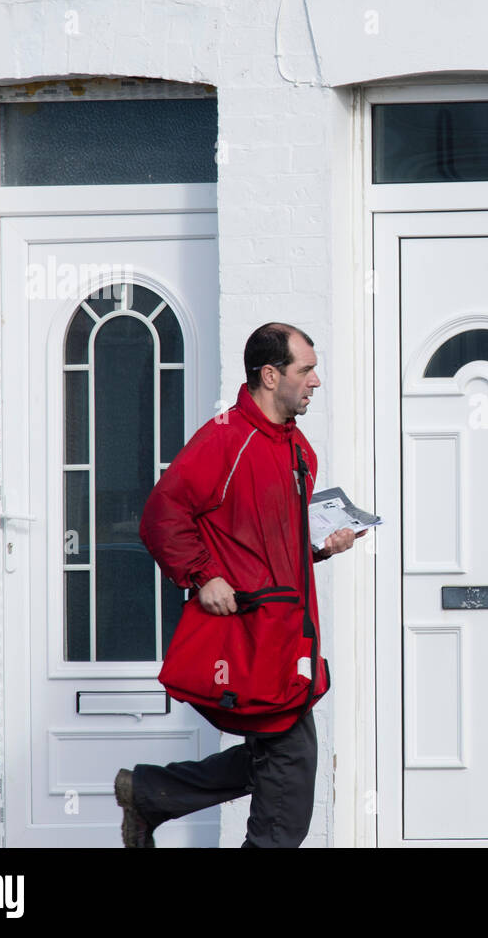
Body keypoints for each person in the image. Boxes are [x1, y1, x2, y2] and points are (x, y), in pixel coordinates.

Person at [114, 322, 365, 848]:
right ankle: (151, 792)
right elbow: (163, 515)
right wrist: (202, 576)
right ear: (270, 375)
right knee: (286, 803)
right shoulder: (225, 439)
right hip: (252, 640)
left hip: (291, 639)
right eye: (306, 369)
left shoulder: (299, 451)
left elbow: (270, 543)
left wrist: (321, 544)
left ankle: (152, 792)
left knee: (275, 765)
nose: (316, 381)